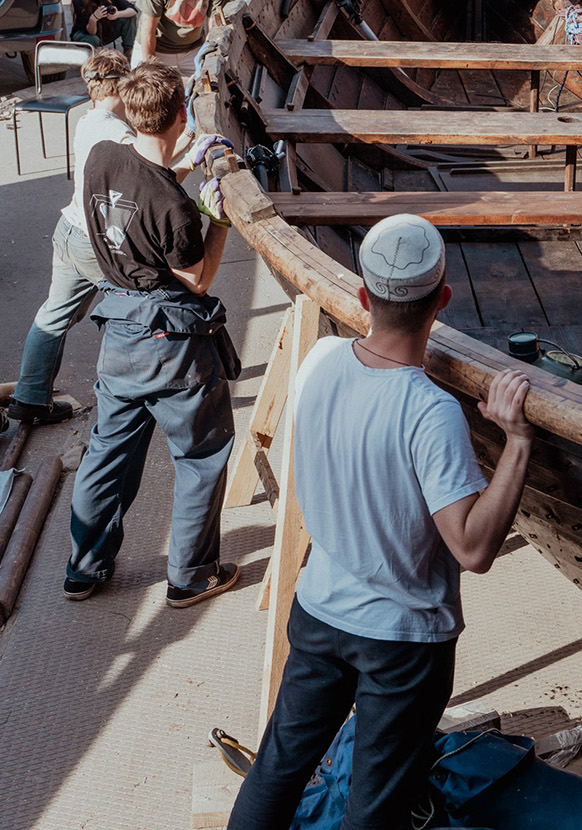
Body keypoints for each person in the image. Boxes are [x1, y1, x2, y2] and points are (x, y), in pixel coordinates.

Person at [228, 214, 535, 829]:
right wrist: (518, 441)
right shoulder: (431, 412)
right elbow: (473, 548)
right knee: (376, 803)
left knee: (280, 767)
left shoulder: (320, 359)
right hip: (403, 643)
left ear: (364, 298)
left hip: (318, 611)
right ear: (442, 300)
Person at [63, 63, 240, 607]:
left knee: (107, 455)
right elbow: (197, 277)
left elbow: (146, 189)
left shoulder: (101, 158)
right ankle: (190, 576)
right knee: (199, 456)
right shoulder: (177, 211)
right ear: (183, 113)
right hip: (171, 345)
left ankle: (84, 569)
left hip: (118, 331)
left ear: (130, 110)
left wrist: (183, 169)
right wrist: (219, 219)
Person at [7, 51, 134, 425]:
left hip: (69, 231)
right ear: (123, 85)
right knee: (134, 311)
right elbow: (144, 181)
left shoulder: (88, 119)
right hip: (96, 244)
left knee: (53, 316)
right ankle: (127, 400)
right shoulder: (120, 133)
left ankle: (30, 399)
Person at [69, 0, 139, 53]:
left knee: (129, 17)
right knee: (93, 39)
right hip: (87, 33)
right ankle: (92, 56)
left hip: (106, 31)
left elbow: (133, 10)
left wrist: (117, 14)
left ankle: (128, 51)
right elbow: (90, 32)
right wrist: (94, 18)